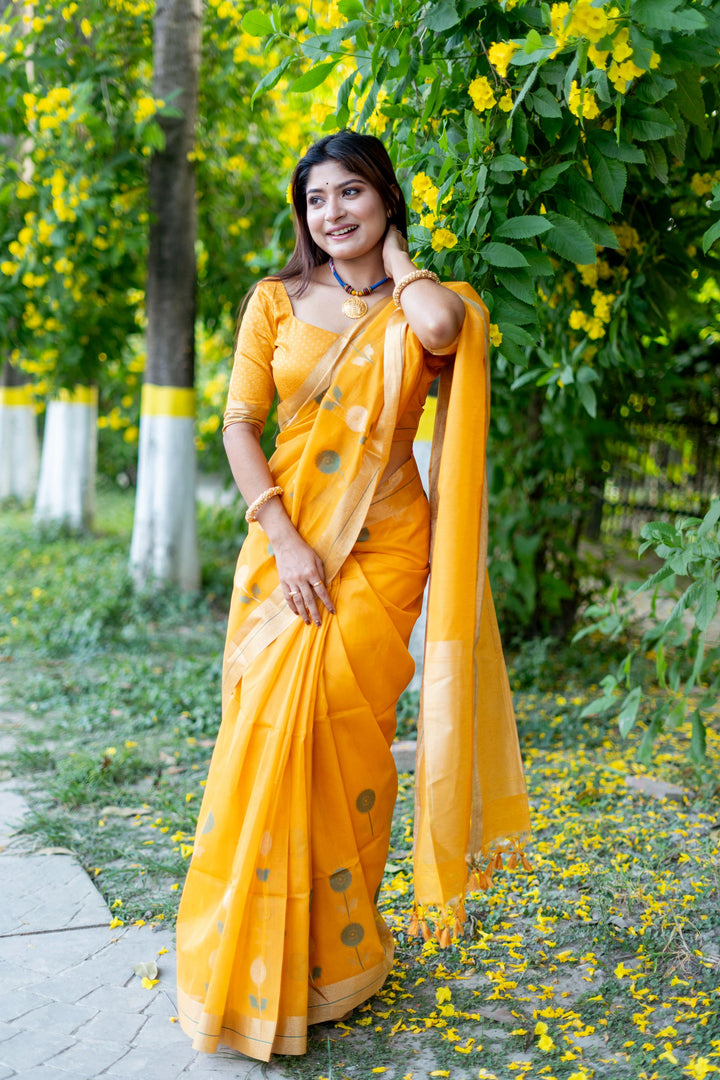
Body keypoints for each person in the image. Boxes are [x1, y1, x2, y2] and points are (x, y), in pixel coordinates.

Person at [176, 130, 530, 1062]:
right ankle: (255, 955)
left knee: (343, 726)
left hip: (385, 549)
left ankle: (335, 960)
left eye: (352, 195)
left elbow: (445, 335)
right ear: (302, 216)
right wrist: (285, 539)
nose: (332, 214)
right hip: (284, 551)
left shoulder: (424, 306)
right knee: (266, 731)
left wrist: (401, 266)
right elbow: (239, 423)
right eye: (316, 201)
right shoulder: (274, 302)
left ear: (384, 202)